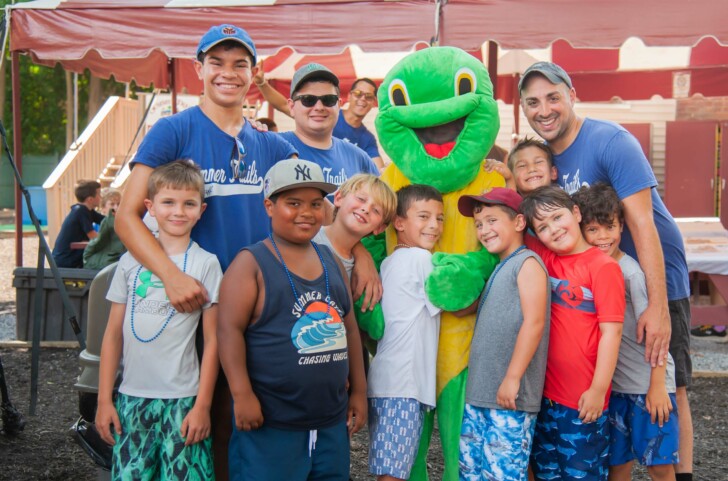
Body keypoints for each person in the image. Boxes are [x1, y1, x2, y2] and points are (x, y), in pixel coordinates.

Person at [114, 24, 299, 481]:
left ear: (253, 74)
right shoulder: (172, 130)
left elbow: (322, 214)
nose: (228, 73)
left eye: (240, 64)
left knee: (254, 423)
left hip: (259, 309)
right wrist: (172, 277)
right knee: (200, 428)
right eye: (216, 62)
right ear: (199, 69)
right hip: (193, 308)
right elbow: (126, 216)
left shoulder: (272, 145)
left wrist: (365, 257)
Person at [519, 61, 693, 481]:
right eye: (532, 102)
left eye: (553, 98)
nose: (544, 109)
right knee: (616, 384)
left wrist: (657, 305)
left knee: (670, 385)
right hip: (602, 282)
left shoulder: (611, 141)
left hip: (653, 277)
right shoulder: (546, 158)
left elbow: (642, 223)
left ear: (572, 96)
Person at [217, 158, 367, 481]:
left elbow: (350, 329)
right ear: (269, 206)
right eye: (293, 203)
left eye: (316, 203)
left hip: (329, 423)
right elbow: (228, 331)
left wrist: (358, 391)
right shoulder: (250, 264)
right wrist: (241, 394)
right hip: (271, 425)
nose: (306, 212)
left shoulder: (330, 260)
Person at [95, 160, 223, 479]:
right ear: (150, 207)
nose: (178, 211)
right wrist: (104, 400)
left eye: (188, 203)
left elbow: (213, 341)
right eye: (168, 202)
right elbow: (112, 335)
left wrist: (203, 405)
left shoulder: (206, 264)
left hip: (183, 398)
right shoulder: (129, 262)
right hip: (131, 398)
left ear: (201, 210)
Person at [573, 183, 679, 481]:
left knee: (658, 464)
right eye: (593, 229)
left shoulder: (630, 272)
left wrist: (657, 385)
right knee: (617, 464)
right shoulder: (587, 267)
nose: (603, 236)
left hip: (649, 384)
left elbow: (657, 333)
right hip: (616, 387)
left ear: (622, 226)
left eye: (610, 227)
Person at [519, 185, 624, 480]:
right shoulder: (544, 258)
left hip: (582, 402)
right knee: (546, 474)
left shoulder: (603, 267)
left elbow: (611, 333)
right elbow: (510, 219)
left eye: (557, 217)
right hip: (545, 399)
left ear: (576, 213)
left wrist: (598, 390)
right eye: (542, 227)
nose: (552, 229)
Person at [456, 187, 550, 481]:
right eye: (479, 224)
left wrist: (512, 378)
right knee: (471, 473)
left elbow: (534, 322)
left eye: (493, 221)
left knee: (502, 475)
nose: (484, 230)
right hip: (480, 395)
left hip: (510, 398)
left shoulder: (527, 264)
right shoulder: (500, 267)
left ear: (519, 223)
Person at [367, 184, 444, 481]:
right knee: (393, 475)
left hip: (389, 382)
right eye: (423, 216)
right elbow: (451, 302)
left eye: (439, 219)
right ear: (399, 223)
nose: (434, 226)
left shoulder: (389, 262)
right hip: (403, 386)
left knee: (390, 469)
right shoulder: (421, 260)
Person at [254, 66, 385, 170]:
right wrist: (261, 83)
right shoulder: (277, 146)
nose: (319, 107)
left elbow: (378, 171)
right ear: (349, 96)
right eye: (308, 100)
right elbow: (282, 104)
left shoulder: (366, 141)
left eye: (328, 100)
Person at [313, 173, 395, 278]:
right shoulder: (309, 238)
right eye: (361, 199)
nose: (366, 209)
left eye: (376, 210)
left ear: (379, 228)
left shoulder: (367, 273)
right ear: (339, 198)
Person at [51, 179, 103, 268]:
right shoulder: (81, 211)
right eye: (99, 194)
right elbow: (93, 236)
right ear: (90, 199)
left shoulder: (88, 211)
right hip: (66, 260)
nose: (101, 197)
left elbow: (105, 220)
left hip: (69, 258)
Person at [83, 188, 126, 270]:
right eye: (112, 204)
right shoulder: (103, 223)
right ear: (103, 208)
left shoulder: (124, 223)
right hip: (105, 261)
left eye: (119, 204)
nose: (116, 207)